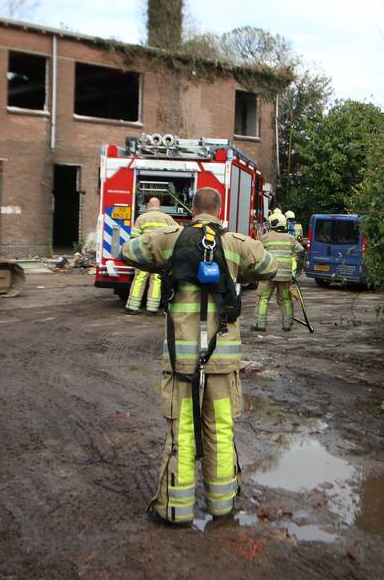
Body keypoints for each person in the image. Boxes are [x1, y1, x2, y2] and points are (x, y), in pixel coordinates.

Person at [119, 188, 277, 525]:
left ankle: (174, 510)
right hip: (223, 360)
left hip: (181, 363)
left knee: (182, 433)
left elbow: (127, 252)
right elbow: (270, 266)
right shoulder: (236, 243)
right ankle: (221, 506)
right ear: (220, 210)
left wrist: (165, 258)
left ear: (191, 210)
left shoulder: (170, 239)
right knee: (220, 430)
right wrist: (237, 272)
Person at [125, 197, 177, 315]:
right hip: (158, 255)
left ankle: (132, 307)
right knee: (156, 280)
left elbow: (133, 238)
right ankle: (152, 309)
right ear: (159, 206)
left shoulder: (141, 218)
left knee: (139, 278)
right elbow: (176, 234)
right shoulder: (167, 219)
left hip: (143, 255)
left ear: (148, 205)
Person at [253, 212, 304, 332]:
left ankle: (260, 325)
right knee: (285, 299)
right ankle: (287, 325)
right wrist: (297, 272)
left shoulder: (265, 237)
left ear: (272, 223)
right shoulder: (290, 238)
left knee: (263, 299)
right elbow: (301, 252)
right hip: (285, 276)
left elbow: (256, 252)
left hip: (268, 274)